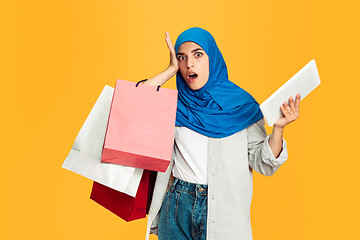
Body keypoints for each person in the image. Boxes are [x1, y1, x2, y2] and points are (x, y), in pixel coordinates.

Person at [143, 27, 300, 240]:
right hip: (177, 207)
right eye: (182, 58)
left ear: (212, 58)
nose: (189, 64)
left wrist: (278, 128)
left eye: (198, 55)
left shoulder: (241, 106)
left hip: (224, 210)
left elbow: (263, 163)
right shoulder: (174, 104)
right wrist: (171, 69)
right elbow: (134, 104)